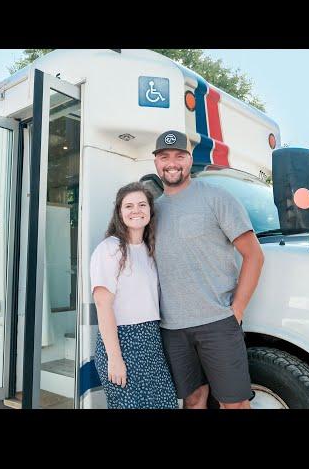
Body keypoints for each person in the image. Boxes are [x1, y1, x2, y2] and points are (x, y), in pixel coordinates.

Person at [152, 130, 265, 409]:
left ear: (190, 160)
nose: (172, 163)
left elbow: (254, 256)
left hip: (217, 324)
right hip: (172, 328)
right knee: (192, 400)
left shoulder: (216, 197)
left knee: (234, 403)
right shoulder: (152, 211)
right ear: (156, 162)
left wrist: (235, 311)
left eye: (180, 156)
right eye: (164, 157)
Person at [90, 181, 178, 409]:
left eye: (142, 204)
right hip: (123, 341)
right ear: (119, 212)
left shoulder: (150, 250)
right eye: (128, 206)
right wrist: (115, 358)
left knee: (164, 403)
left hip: (151, 341)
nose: (136, 210)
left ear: (150, 210)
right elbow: (102, 305)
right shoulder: (110, 248)